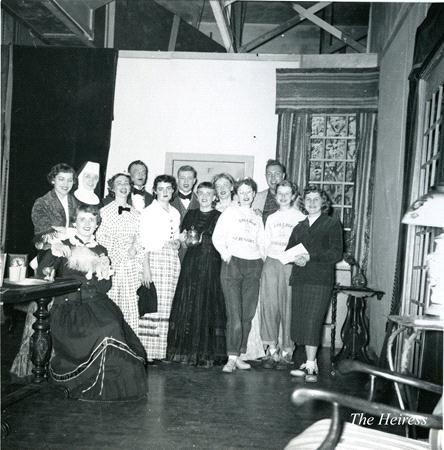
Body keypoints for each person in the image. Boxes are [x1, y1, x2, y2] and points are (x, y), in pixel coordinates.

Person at [36, 204, 148, 401]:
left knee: (112, 326)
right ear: (74, 223)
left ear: (97, 224)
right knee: (103, 330)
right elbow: (41, 274)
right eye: (82, 219)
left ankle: (110, 383)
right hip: (68, 306)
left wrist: (104, 274)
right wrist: (54, 254)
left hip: (96, 303)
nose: (87, 224)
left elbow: (104, 288)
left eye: (91, 220)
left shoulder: (101, 249)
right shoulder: (64, 245)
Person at [10, 163, 78, 380]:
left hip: (68, 259)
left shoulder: (74, 201)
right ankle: (30, 363)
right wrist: (56, 240)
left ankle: (58, 362)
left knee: (64, 305)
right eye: (61, 180)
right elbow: (40, 234)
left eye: (69, 180)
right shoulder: (42, 202)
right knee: (42, 307)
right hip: (49, 258)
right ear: (52, 180)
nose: (66, 184)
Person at [286, 185, 343, 382]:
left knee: (313, 321)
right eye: (308, 199)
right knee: (301, 322)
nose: (311, 203)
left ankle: (311, 364)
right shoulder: (299, 226)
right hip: (300, 279)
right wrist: (295, 258)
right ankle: (306, 362)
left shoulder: (331, 223)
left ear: (323, 202)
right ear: (303, 203)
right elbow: (289, 251)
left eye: (316, 199)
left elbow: (336, 253)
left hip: (320, 280)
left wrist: (310, 257)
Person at [167, 182, 226, 367]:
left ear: (215, 196)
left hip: (211, 264)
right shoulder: (190, 214)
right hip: (191, 264)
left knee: (207, 305)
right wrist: (181, 241)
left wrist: (205, 239)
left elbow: (223, 240)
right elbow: (183, 240)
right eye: (201, 193)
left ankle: (204, 354)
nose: (205, 196)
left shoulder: (220, 216)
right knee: (188, 303)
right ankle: (186, 352)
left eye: (209, 193)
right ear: (197, 195)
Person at [212, 177, 265, 373]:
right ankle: (231, 357)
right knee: (234, 314)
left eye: (248, 192)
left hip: (254, 265)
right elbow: (218, 237)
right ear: (237, 193)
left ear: (253, 194)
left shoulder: (257, 217)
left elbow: (263, 243)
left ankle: (240, 354)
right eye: (241, 192)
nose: (245, 195)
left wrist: (262, 260)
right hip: (233, 265)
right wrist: (227, 256)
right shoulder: (229, 213)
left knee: (247, 314)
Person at [260, 180, 306, 369]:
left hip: (291, 265)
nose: (284, 197)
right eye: (280, 193)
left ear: (294, 196)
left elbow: (305, 245)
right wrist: (269, 261)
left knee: (289, 307)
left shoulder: (300, 217)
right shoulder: (271, 218)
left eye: (288, 193)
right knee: (269, 306)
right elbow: (264, 243)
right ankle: (271, 350)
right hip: (271, 262)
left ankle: (287, 351)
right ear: (275, 195)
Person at [96, 173, 146, 333]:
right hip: (113, 263)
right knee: (112, 303)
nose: (123, 186)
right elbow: (100, 237)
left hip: (131, 263)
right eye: (119, 183)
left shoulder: (136, 213)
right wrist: (118, 249)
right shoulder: (104, 212)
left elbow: (141, 236)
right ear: (112, 188)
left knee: (131, 304)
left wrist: (134, 247)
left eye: (126, 183)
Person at [139, 175, 181, 361]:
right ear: (155, 190)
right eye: (161, 188)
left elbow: (176, 237)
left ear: (173, 191)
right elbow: (144, 242)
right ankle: (146, 351)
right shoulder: (148, 212)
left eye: (168, 188)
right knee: (153, 303)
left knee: (167, 305)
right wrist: (145, 268)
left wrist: (177, 243)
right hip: (154, 259)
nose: (165, 192)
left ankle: (160, 351)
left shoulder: (175, 212)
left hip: (171, 260)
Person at [252, 159, 286, 225]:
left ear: (283, 176)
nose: (273, 178)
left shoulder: (294, 198)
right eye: (269, 174)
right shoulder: (256, 198)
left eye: (277, 174)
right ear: (266, 177)